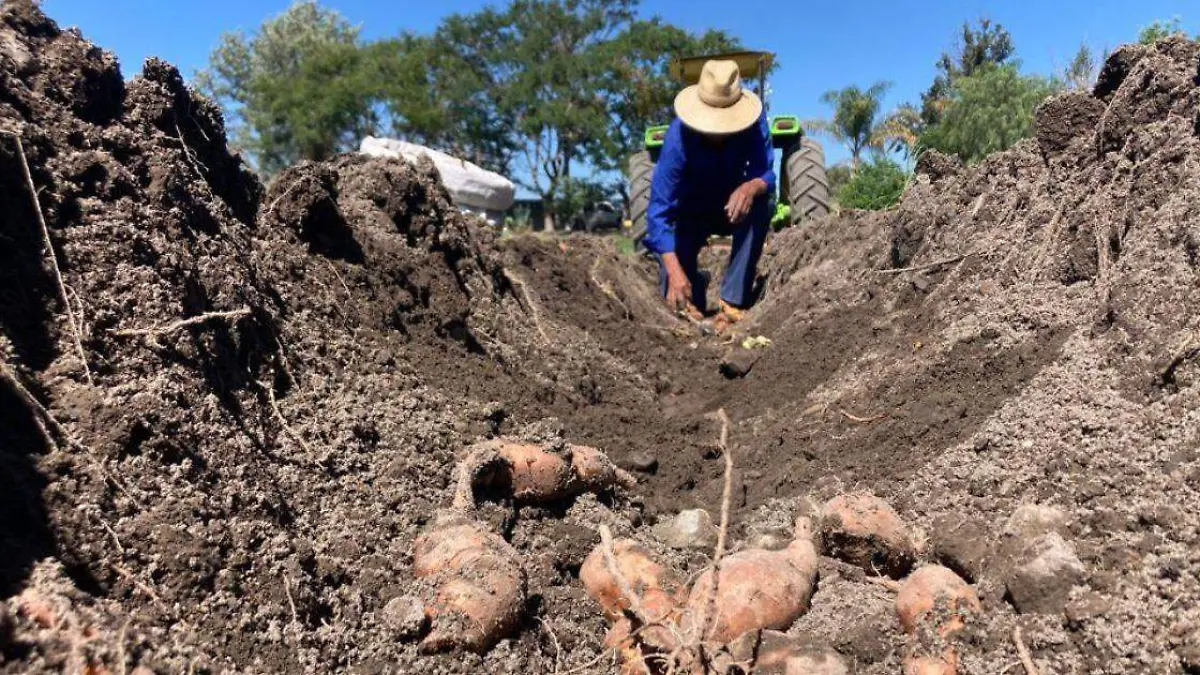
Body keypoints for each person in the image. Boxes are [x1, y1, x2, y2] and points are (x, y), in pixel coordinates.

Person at [643, 59, 775, 332]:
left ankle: (732, 302)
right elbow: (658, 213)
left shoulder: (754, 123)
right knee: (677, 288)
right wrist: (674, 270)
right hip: (690, 212)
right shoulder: (677, 138)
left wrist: (750, 187)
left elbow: (767, 173)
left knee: (762, 203)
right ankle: (694, 294)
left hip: (733, 207)